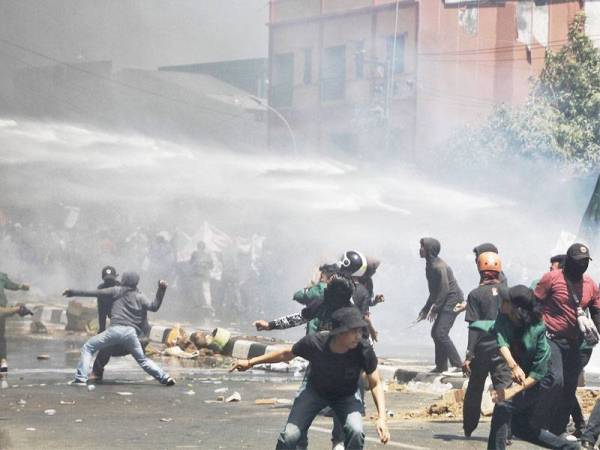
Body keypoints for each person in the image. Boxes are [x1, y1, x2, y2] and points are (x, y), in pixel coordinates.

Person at [231, 307, 390, 449]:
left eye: (360, 330)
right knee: (290, 437)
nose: (359, 335)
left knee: (356, 433)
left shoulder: (363, 349)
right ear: (340, 332)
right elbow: (286, 353)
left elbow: (375, 383)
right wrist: (251, 362)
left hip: (346, 396)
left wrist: (382, 419)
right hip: (314, 392)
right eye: (353, 331)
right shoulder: (316, 343)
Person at [254, 273, 357, 449]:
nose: (325, 285)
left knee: (344, 429)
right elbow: (298, 318)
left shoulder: (352, 315)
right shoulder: (321, 303)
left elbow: (365, 344)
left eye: (329, 284)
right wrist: (270, 325)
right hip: (317, 373)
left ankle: (338, 442)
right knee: (295, 430)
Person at [479, 285, 579, 450]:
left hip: (543, 378)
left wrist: (511, 391)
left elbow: (538, 373)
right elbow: (501, 340)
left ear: (517, 309)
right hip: (524, 370)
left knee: (504, 405)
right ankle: (570, 448)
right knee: (521, 427)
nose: (501, 302)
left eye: (505, 301)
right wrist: (513, 366)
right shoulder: (504, 315)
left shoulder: (537, 329)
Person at [533, 243, 600, 436]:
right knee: (556, 380)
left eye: (585, 262)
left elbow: (596, 311)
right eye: (579, 262)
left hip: (574, 343)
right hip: (550, 337)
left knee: (569, 388)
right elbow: (534, 304)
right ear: (569, 262)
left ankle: (557, 429)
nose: (582, 266)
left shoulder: (590, 284)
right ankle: (536, 420)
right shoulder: (552, 278)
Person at [63, 271, 175, 386]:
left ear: (124, 280)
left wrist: (73, 292)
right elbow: (154, 306)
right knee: (143, 360)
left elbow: (96, 293)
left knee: (88, 347)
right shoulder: (140, 296)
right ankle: (165, 377)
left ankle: (80, 378)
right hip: (131, 334)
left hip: (115, 330)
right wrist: (161, 290)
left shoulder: (117, 290)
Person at [462, 252, 512, 437]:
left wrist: (469, 355)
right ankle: (505, 433)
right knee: (505, 390)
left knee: (475, 389)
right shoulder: (508, 292)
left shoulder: (475, 294)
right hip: (504, 349)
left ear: (480, 270)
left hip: (482, 350)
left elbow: (474, 327)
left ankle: (469, 427)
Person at [417, 238, 464, 374]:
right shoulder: (429, 265)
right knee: (436, 333)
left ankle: (459, 366)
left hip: (453, 300)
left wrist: (435, 308)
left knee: (440, 333)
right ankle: (441, 366)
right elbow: (434, 291)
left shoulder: (439, 267)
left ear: (429, 250)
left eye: (422, 247)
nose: (420, 249)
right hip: (445, 299)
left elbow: (444, 289)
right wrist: (426, 308)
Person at [0, 272, 30, 374]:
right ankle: (3, 361)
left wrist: (20, 286)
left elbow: (10, 284)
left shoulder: (1, 277)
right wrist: (16, 309)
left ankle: (3, 361)